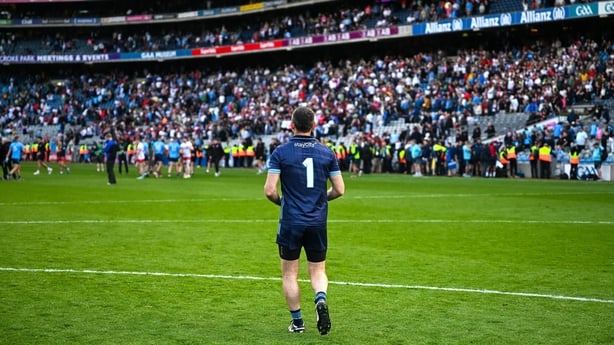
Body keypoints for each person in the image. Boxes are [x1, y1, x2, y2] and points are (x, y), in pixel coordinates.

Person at [264, 106, 345, 335]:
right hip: (317, 220)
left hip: (291, 220)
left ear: (292, 125)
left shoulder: (281, 152)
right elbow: (339, 189)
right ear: (313, 126)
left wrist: (283, 202)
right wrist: (323, 197)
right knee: (318, 270)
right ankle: (320, 299)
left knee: (289, 273)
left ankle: (298, 322)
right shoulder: (326, 152)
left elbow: (269, 190)